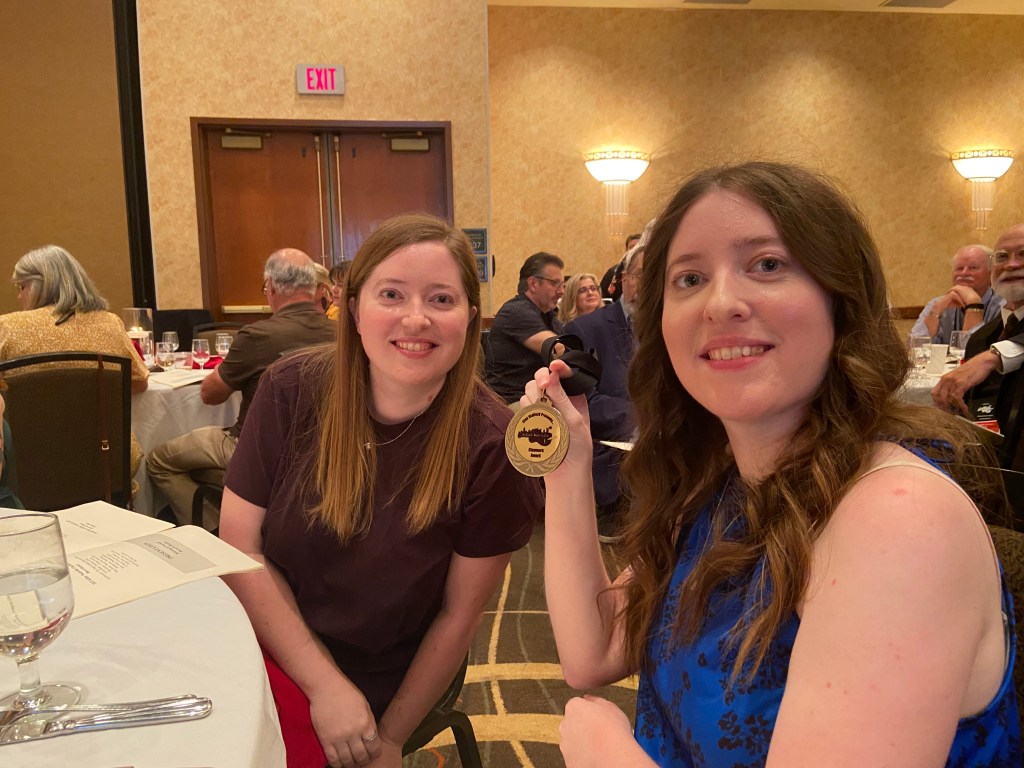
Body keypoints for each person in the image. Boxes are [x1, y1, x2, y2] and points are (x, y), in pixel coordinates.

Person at [523, 162, 1019, 766]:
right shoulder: (718, 485)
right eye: (690, 278)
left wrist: (607, 755)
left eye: (766, 265)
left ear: (840, 298)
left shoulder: (899, 519)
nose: (721, 303)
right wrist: (567, 466)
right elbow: (594, 650)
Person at [220, 213, 542, 768]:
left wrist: (390, 739)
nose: (416, 318)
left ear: (470, 317)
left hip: (383, 670)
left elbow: (458, 616)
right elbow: (240, 546)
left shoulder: (493, 444)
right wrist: (323, 685)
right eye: (391, 294)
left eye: (442, 299)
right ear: (352, 309)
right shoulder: (289, 389)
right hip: (265, 634)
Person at [147, 248, 336, 527]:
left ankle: (215, 531)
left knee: (159, 461)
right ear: (314, 288)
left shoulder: (257, 336)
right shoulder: (341, 334)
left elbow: (210, 395)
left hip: (256, 449)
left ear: (271, 287)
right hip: (327, 447)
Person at [0, 245, 149, 478]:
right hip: (107, 467)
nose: (19, 296)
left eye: (22, 287)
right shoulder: (110, 323)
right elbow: (139, 382)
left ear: (41, 284)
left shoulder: (8, 327)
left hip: (29, 470)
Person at [564, 246, 643, 533]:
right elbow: (580, 400)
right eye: (642, 274)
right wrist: (643, 418)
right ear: (625, 278)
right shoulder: (585, 329)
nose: (650, 284)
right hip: (613, 451)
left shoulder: (675, 326)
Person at [933, 225, 1024, 456]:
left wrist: (992, 358)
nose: (1011, 264)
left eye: (1023, 254)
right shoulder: (981, 338)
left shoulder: (987, 353)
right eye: (1002, 257)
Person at [484, 251, 565, 402]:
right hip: (509, 401)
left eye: (562, 285)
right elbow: (558, 349)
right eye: (555, 284)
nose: (561, 291)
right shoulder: (515, 311)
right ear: (533, 284)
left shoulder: (548, 314)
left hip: (536, 397)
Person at [910, 244, 1001, 343]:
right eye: (959, 268)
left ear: (991, 273)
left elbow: (974, 349)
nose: (964, 273)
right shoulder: (937, 303)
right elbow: (915, 345)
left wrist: (973, 304)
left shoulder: (1003, 307)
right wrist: (935, 311)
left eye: (973, 268)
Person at [601, 233, 641, 300]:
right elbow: (603, 299)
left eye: (638, 248)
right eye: (632, 247)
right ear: (626, 251)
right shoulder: (612, 273)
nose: (634, 251)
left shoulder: (651, 272)